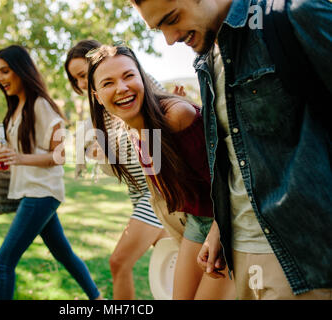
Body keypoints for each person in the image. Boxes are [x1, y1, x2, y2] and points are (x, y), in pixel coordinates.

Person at [130, 0, 332, 299]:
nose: (170, 39)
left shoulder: (292, 14)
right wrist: (220, 229)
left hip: (305, 257)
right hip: (241, 256)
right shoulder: (207, 56)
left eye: (172, 18)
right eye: (160, 28)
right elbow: (237, 153)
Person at [86, 44, 235, 300]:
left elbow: (229, 177)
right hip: (197, 222)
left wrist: (219, 231)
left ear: (142, 79)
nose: (121, 87)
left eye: (128, 76)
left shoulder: (176, 116)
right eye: (108, 83)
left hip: (229, 221)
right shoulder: (134, 131)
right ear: (97, 96)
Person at [0, 45, 102, 300]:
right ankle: (98, 299)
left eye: (5, 71)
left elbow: (60, 155)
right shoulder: (15, 109)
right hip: (32, 193)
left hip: (41, 193)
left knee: (3, 261)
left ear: (21, 70)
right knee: (64, 254)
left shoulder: (41, 105)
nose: (0, 78)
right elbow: (21, 149)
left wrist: (19, 158)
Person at [65, 39, 169, 300]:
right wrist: (100, 154)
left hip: (159, 190)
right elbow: (118, 168)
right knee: (172, 258)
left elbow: (165, 112)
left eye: (84, 73)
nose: (82, 82)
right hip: (139, 195)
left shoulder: (134, 84)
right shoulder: (100, 113)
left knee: (119, 262)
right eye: (77, 78)